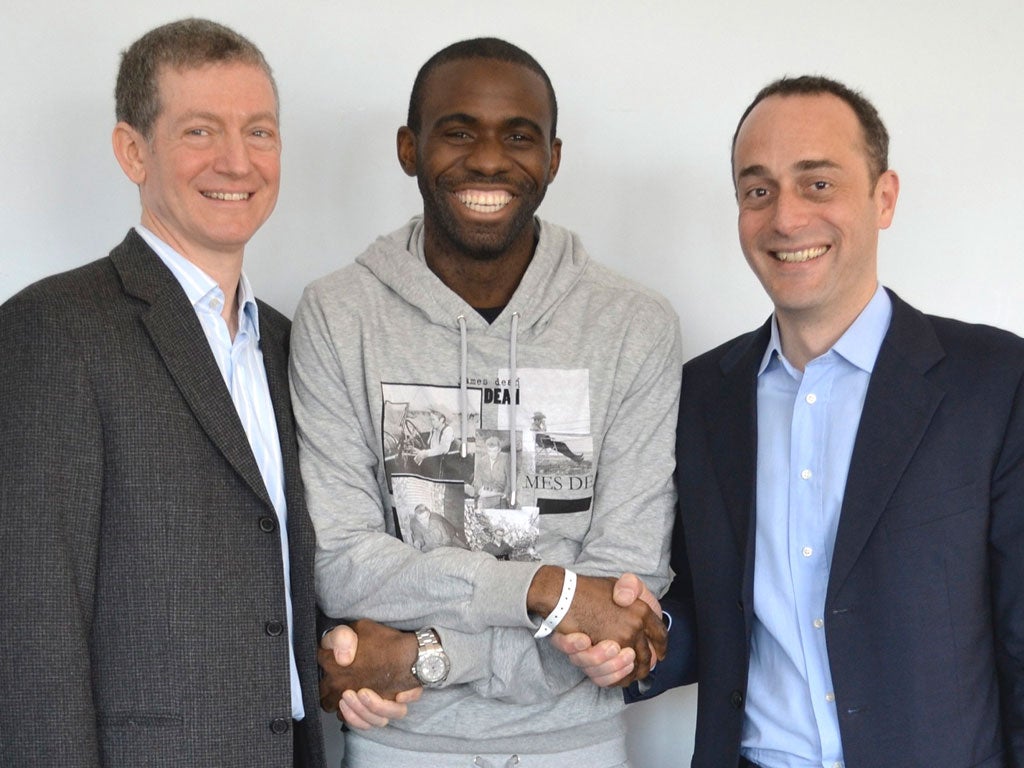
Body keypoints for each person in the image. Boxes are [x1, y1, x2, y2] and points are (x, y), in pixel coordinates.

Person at [557, 75, 1024, 768]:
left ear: (884, 197)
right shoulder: (700, 396)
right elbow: (701, 611)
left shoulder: (994, 380)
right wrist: (634, 644)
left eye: (818, 184)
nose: (784, 218)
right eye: (758, 190)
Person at [289, 37, 681, 767]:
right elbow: (342, 563)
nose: (491, 160)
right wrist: (547, 589)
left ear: (554, 159)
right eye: (459, 130)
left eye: (520, 136)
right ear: (410, 148)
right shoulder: (338, 314)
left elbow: (624, 601)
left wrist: (429, 653)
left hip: (575, 745)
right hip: (399, 745)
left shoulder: (634, 324)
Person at [0, 19, 325, 768]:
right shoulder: (51, 332)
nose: (237, 161)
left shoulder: (287, 342)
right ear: (132, 150)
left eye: (261, 132)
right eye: (200, 131)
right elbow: (28, 629)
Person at [468, 436, 512, 508]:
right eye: (490, 451)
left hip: (500, 496)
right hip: (485, 495)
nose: (492, 454)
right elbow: (477, 478)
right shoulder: (482, 461)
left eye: (494, 451)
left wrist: (506, 493)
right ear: (487, 450)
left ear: (499, 450)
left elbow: (510, 479)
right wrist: (480, 490)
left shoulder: (506, 459)